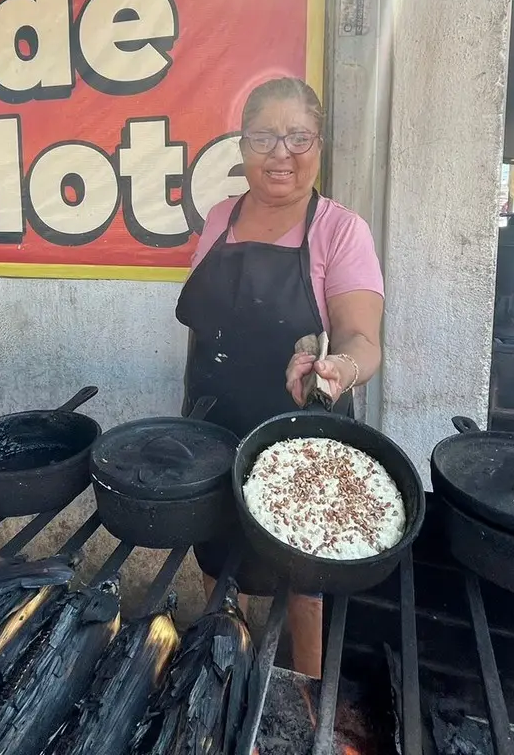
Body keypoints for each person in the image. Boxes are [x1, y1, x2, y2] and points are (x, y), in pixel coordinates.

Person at [176, 77, 384, 678]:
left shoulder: (340, 230)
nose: (281, 153)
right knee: (219, 560)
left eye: (298, 137)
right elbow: (208, 325)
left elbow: (361, 340)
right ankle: (228, 662)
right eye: (264, 136)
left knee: (305, 578)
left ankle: (306, 693)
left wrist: (336, 368)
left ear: (320, 144)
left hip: (302, 433)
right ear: (241, 145)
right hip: (214, 420)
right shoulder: (219, 216)